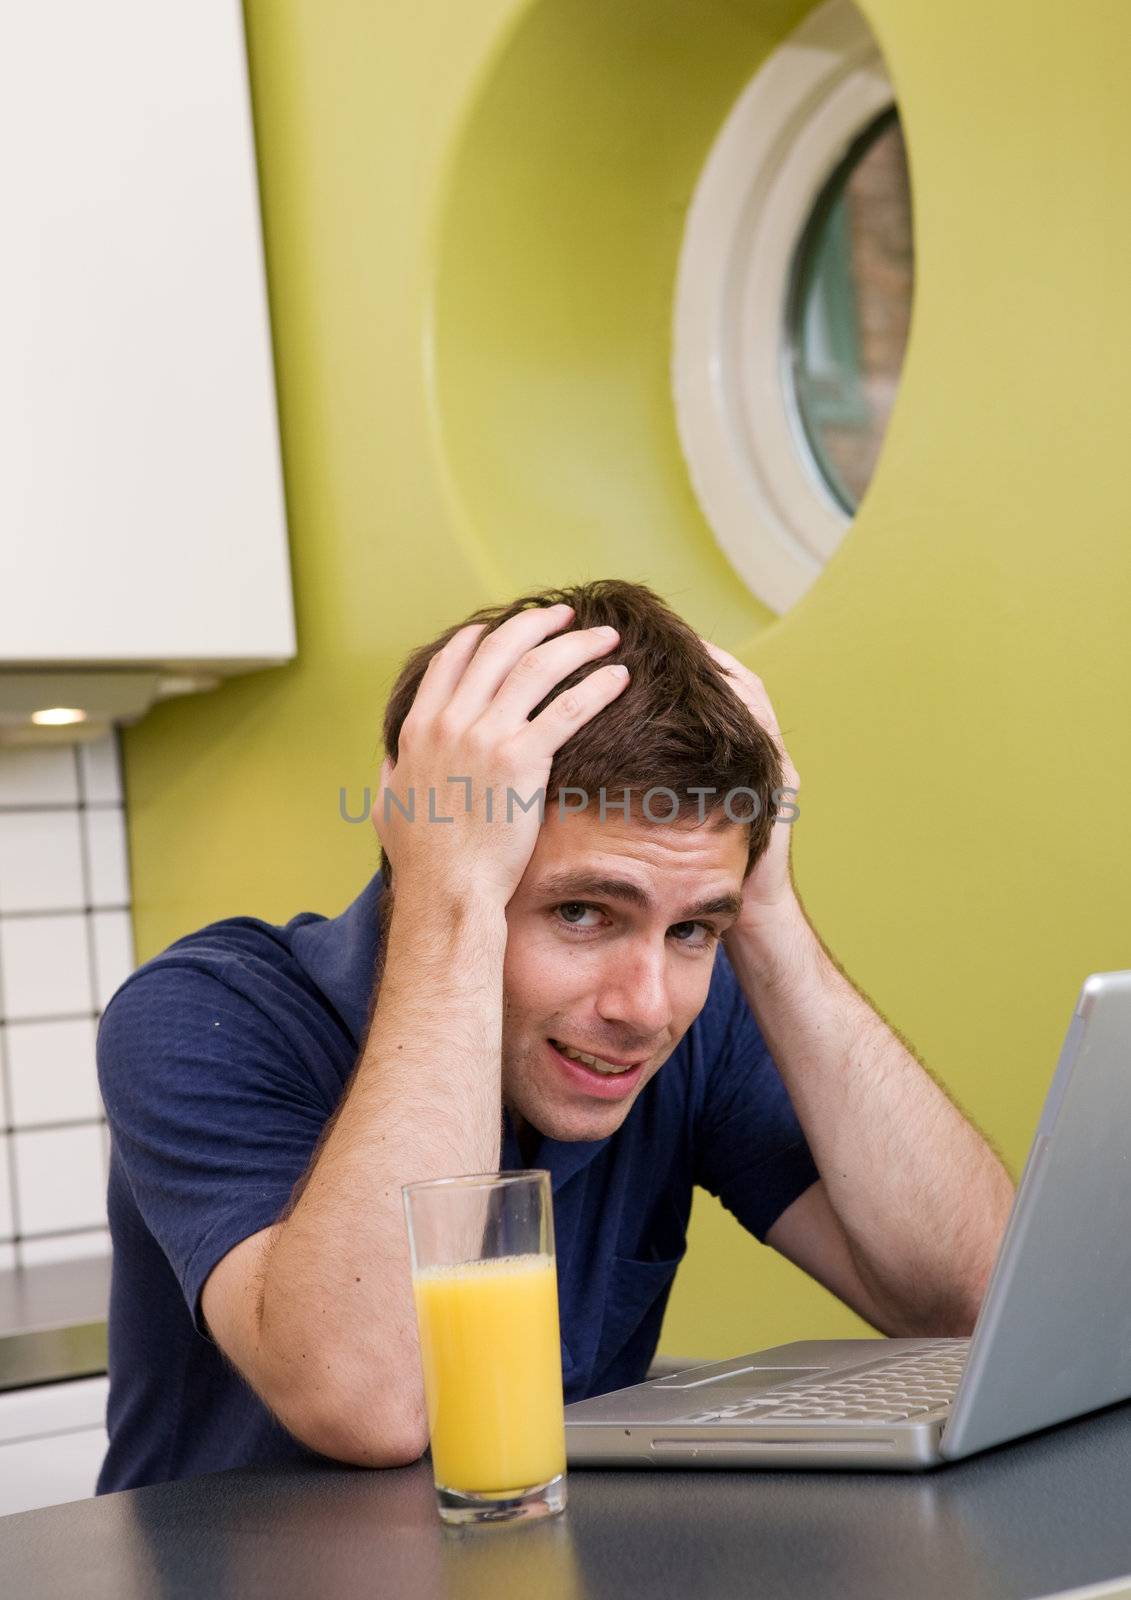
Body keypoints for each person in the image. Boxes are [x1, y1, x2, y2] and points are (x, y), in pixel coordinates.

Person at [95, 580, 1015, 1492]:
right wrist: (446, 900)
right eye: (582, 912)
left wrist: (764, 917)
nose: (645, 1007)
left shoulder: (685, 1023)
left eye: (693, 927)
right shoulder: (203, 1016)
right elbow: (373, 1404)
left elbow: (979, 1307)